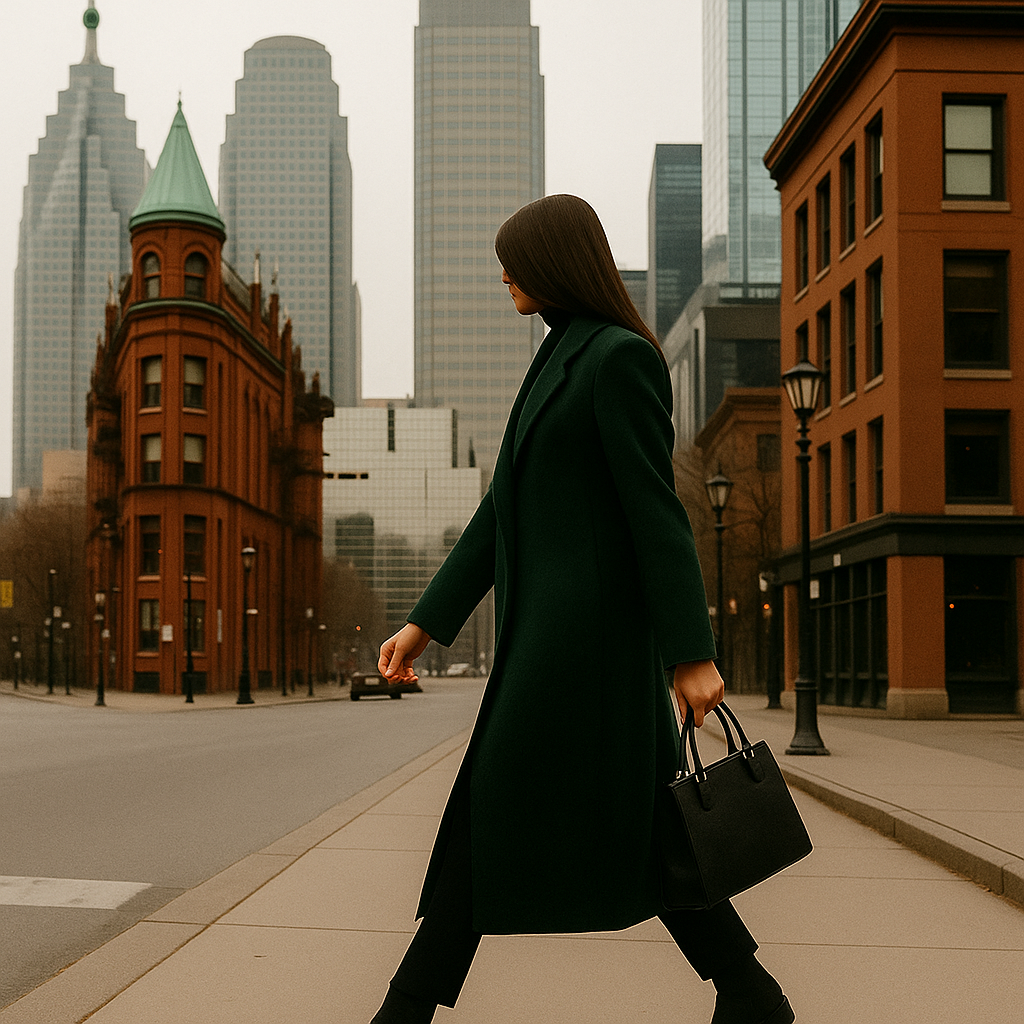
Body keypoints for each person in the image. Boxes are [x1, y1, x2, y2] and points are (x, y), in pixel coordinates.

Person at [373, 194, 794, 1024]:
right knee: (635, 824)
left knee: (498, 811)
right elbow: (500, 514)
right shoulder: (557, 358)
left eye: (514, 259)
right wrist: (425, 622)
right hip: (546, 648)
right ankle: (752, 993)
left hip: (588, 653)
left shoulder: (618, 359)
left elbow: (655, 513)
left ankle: (402, 1011)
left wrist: (691, 651)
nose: (503, 274)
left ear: (555, 261)